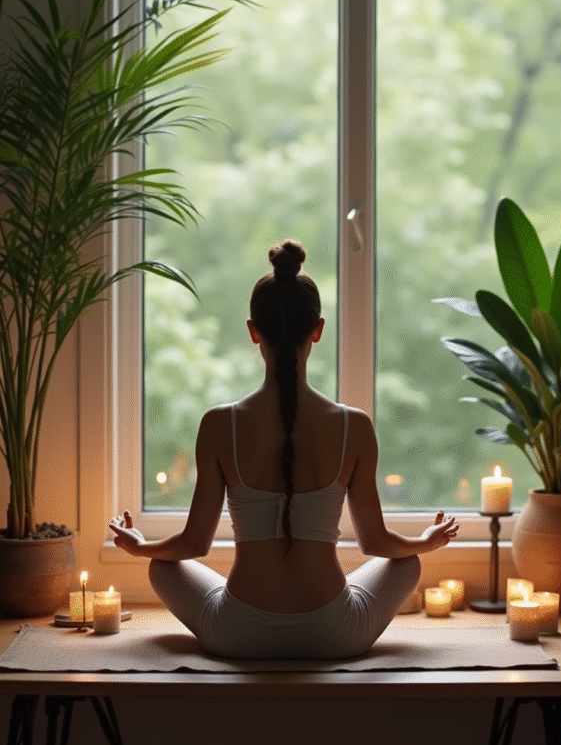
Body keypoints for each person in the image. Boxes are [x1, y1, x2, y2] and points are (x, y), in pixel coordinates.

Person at [110, 239, 458, 659]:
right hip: (334, 633)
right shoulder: (355, 426)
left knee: (161, 566)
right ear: (318, 329)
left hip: (237, 633)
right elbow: (377, 544)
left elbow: (193, 545)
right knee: (408, 563)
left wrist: (139, 545)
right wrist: (426, 540)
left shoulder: (221, 424)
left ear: (253, 331)